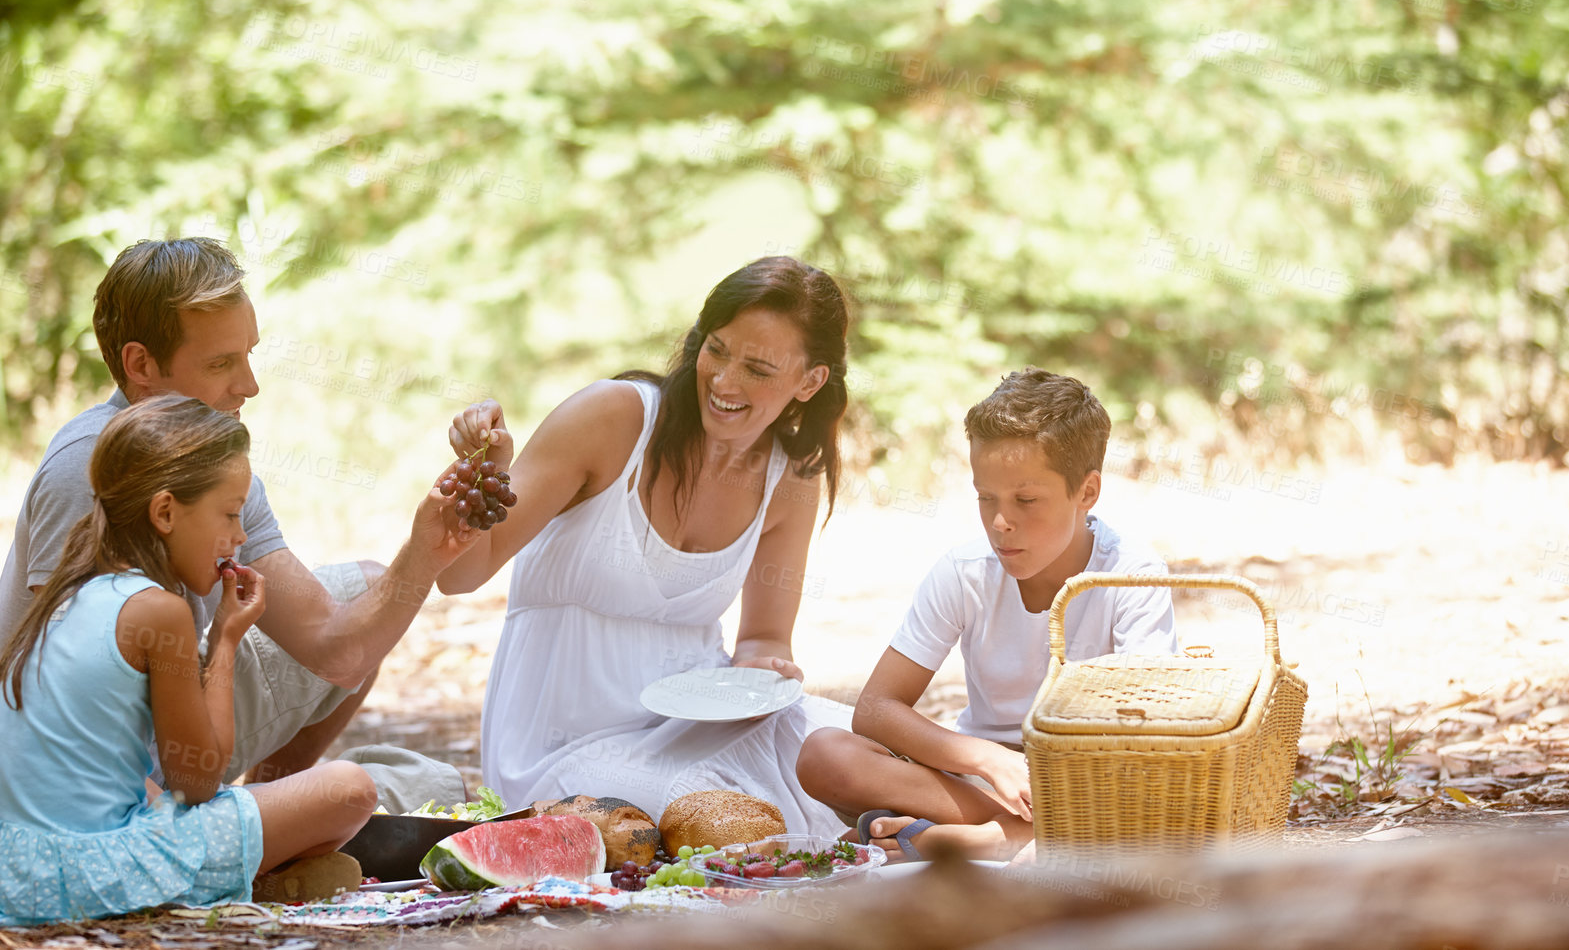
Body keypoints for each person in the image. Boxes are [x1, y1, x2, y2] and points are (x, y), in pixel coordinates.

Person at [0, 238, 482, 809]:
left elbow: (335, 648)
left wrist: (423, 553)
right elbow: (53, 697)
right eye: (221, 363)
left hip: (182, 728)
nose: (249, 385)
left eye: (249, 355)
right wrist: (159, 836)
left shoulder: (214, 463)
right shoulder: (86, 462)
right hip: (87, 773)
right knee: (374, 792)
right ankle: (250, 827)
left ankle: (262, 814)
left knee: (367, 588)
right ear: (141, 365)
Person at [0, 395, 476, 924]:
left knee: (281, 798)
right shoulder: (157, 610)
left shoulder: (74, 590)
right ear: (166, 512)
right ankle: (262, 877)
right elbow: (196, 781)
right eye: (230, 513)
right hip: (85, 876)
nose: (240, 537)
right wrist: (224, 640)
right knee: (350, 789)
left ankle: (260, 869)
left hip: (0, 869)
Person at [435, 256, 853, 832]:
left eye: (758, 368)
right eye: (717, 349)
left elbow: (763, 637)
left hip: (695, 732)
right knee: (718, 811)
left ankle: (989, 834)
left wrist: (760, 670)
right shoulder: (613, 419)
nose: (725, 383)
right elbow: (458, 575)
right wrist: (484, 480)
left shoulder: (792, 479)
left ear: (810, 381)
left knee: (849, 742)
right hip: (561, 746)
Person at [795, 369, 1177, 862]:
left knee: (1153, 795)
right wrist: (989, 759)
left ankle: (969, 840)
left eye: (1026, 501)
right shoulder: (964, 571)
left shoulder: (1133, 575)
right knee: (825, 755)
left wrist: (1048, 779)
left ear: (1087, 492)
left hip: (1089, 782)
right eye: (985, 497)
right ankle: (1010, 837)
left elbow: (1144, 733)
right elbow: (875, 709)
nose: (1001, 523)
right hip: (980, 783)